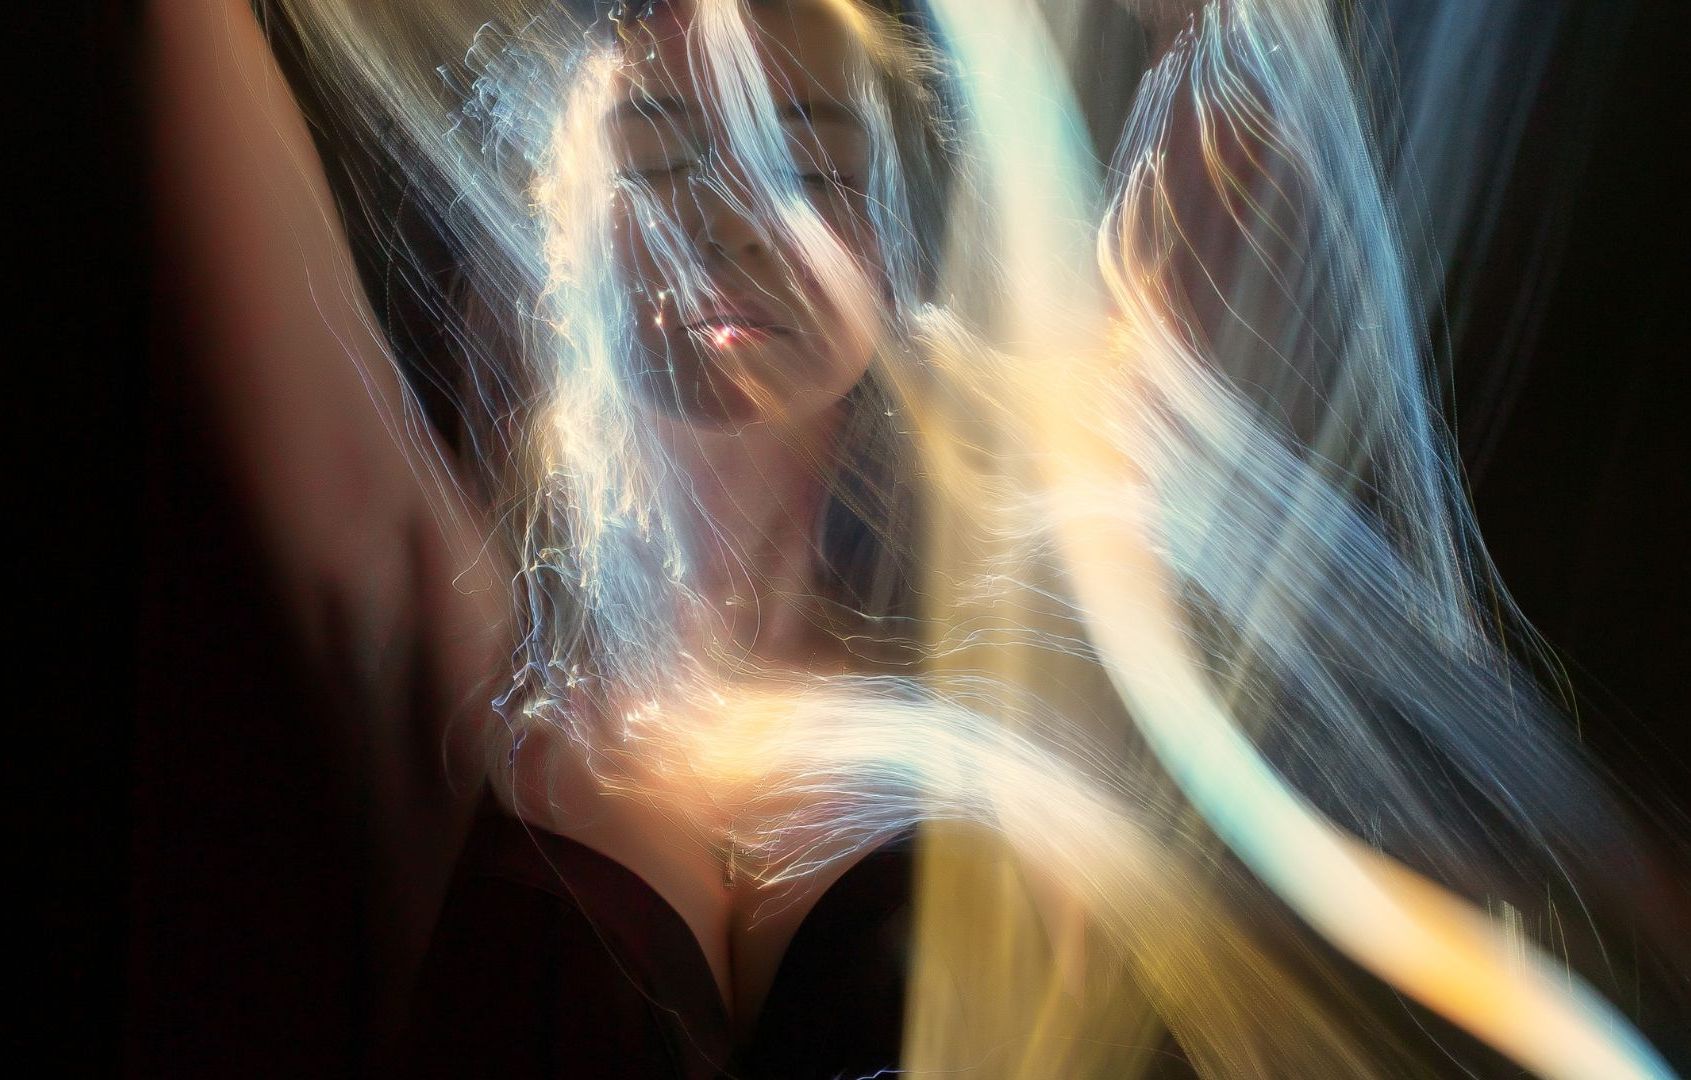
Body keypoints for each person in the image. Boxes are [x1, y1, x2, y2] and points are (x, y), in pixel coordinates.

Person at [148, 0, 1688, 1076]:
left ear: (894, 247)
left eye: (810, 163)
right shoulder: (459, 658)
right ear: (562, 220)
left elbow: (1247, 98)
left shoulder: (1034, 643)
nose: (726, 220)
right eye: (662, 154)